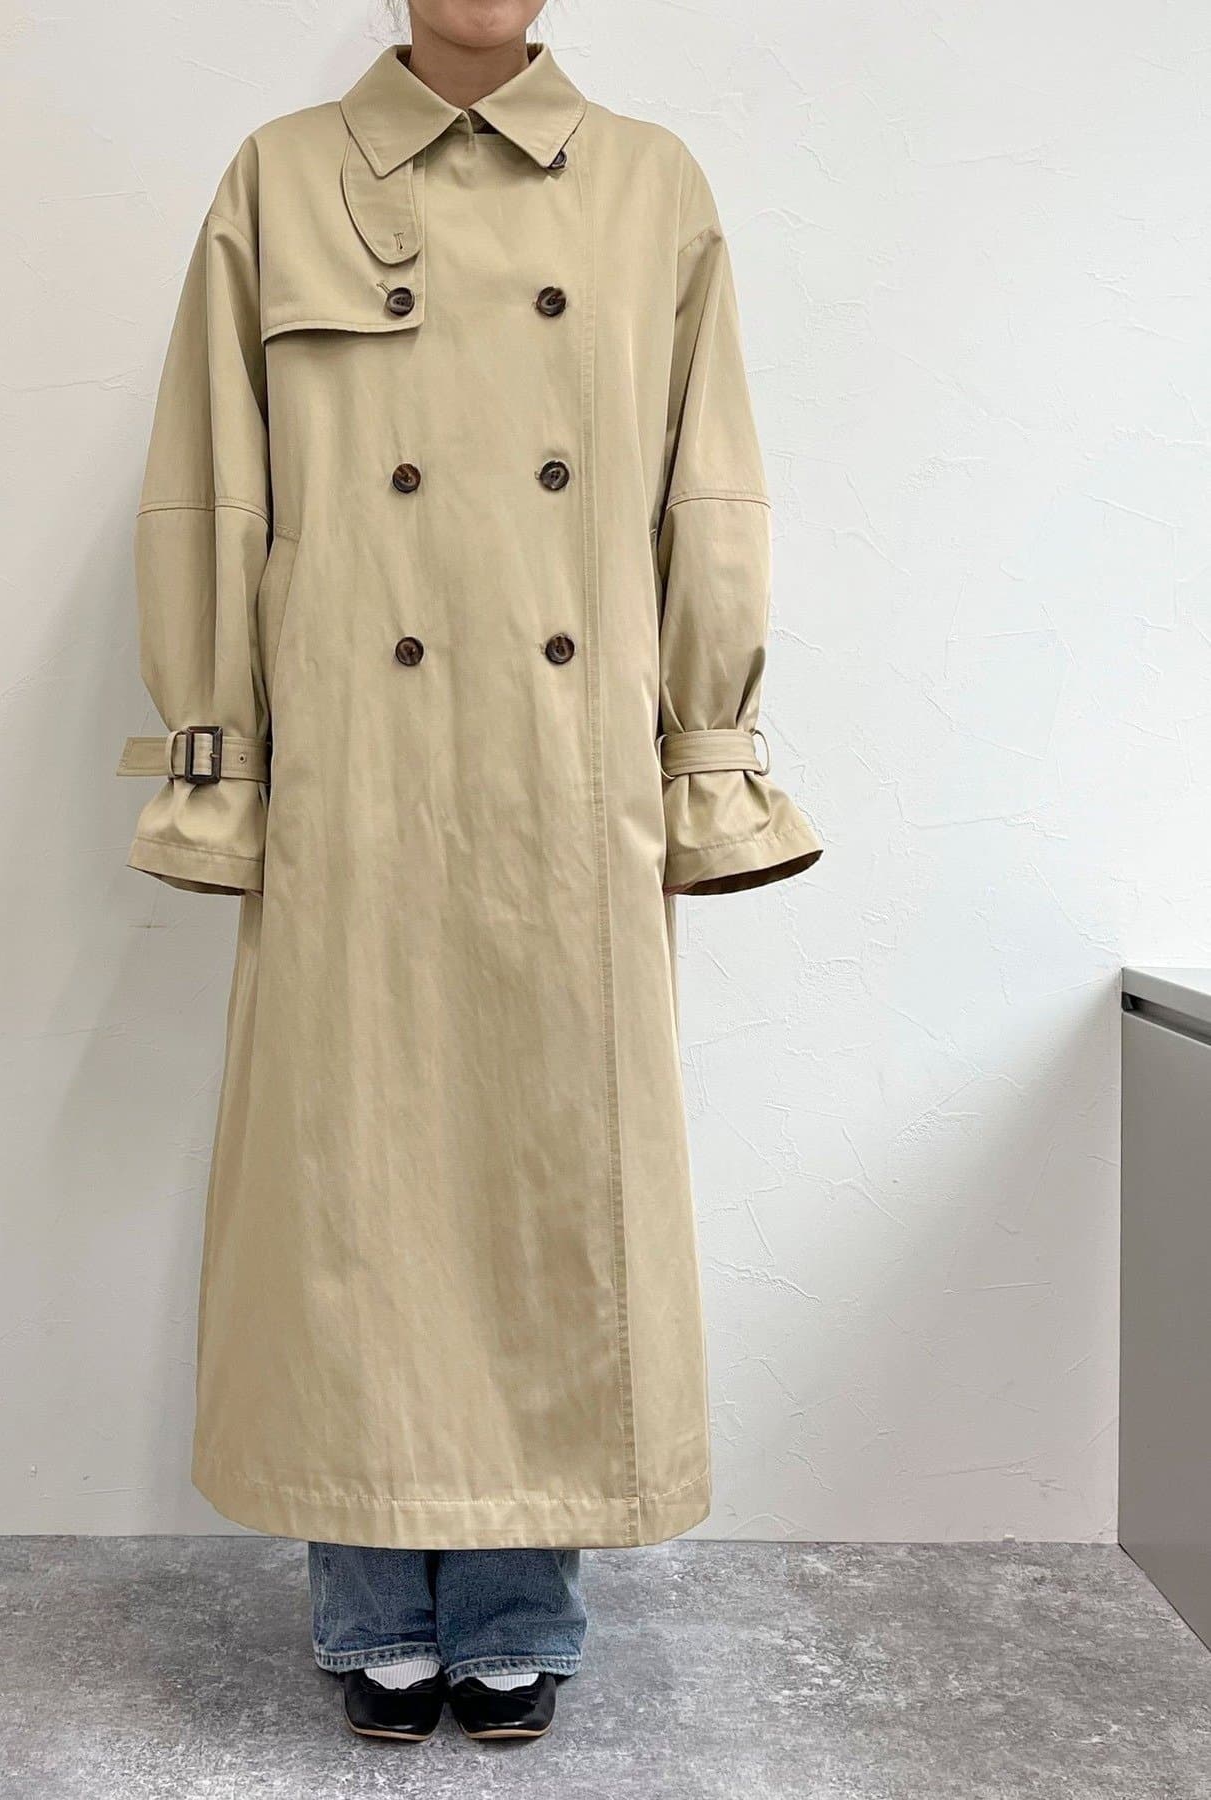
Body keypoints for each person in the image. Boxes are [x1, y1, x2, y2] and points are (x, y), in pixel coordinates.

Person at [116, 0, 822, 1746]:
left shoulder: (651, 186)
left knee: (544, 1186)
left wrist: (705, 753)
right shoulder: (280, 179)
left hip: (562, 783)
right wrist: (222, 749)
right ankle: (371, 1606)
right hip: (359, 771)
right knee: (353, 1192)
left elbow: (710, 498)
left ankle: (519, 1608)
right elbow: (212, 491)